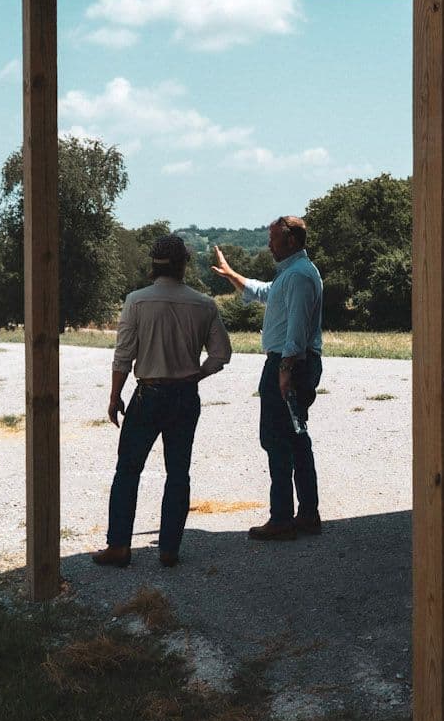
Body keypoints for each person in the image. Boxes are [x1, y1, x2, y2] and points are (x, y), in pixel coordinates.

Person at [93, 234, 232, 569]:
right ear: (184, 264)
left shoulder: (136, 301)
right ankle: (169, 548)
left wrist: (114, 396)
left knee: (128, 470)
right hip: (185, 395)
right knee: (178, 472)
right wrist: (196, 375)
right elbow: (221, 354)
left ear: (153, 265)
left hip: (149, 393)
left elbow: (123, 356)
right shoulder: (204, 304)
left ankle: (119, 546)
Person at [210, 215, 323, 540]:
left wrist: (285, 370)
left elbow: (297, 329)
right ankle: (307, 515)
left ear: (291, 240)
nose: (269, 245)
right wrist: (231, 274)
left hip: (289, 364)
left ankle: (282, 519)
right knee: (296, 438)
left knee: (278, 440)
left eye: (273, 239)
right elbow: (263, 292)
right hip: (292, 363)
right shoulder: (293, 273)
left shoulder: (298, 276)